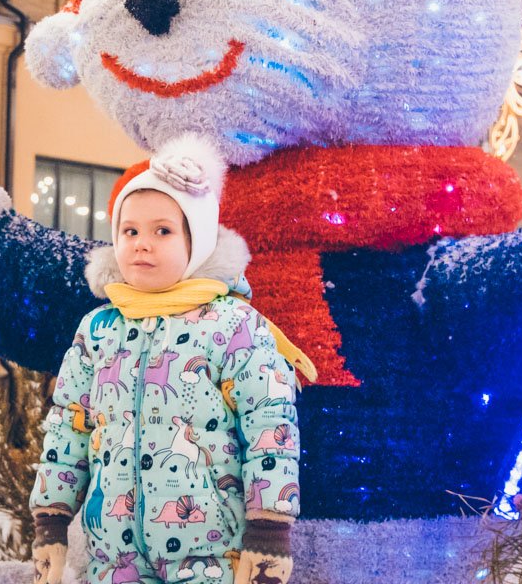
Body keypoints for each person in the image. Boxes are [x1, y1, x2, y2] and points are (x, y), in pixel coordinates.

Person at [30, 144, 313, 584]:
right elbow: (68, 423)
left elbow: (269, 426)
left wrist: (269, 529)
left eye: (162, 231)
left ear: (195, 242)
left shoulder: (233, 325)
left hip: (213, 553)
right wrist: (50, 521)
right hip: (115, 555)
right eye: (129, 231)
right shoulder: (98, 328)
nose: (142, 243)